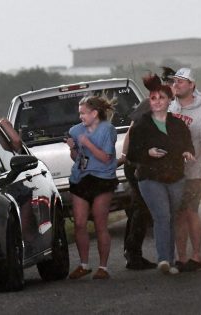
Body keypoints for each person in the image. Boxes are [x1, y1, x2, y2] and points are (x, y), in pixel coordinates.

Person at [127, 73, 195, 275]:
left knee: (173, 217)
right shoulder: (141, 124)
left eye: (161, 98)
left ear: (169, 101)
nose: (156, 102)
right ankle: (164, 259)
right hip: (150, 177)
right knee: (161, 216)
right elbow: (132, 154)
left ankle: (171, 260)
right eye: (153, 98)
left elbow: (188, 144)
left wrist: (187, 152)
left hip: (175, 176)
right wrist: (147, 153)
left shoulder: (178, 124)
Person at [119, 66, 176, 270]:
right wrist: (126, 158)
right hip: (139, 163)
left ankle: (132, 252)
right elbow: (131, 132)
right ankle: (133, 254)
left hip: (149, 163)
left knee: (139, 208)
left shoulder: (167, 104)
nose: (173, 87)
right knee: (142, 208)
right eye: (170, 83)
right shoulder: (151, 103)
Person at [169, 68, 201, 272]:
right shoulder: (170, 106)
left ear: (192, 85)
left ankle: (197, 256)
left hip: (196, 169)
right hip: (173, 171)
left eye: (182, 81)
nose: (177, 84)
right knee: (178, 214)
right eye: (175, 81)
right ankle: (181, 258)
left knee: (191, 211)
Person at [66, 95, 119, 280]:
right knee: (80, 223)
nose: (80, 117)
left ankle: (103, 267)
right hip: (81, 178)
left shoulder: (108, 130)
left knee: (99, 222)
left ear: (95, 113)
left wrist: (88, 143)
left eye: (83, 113)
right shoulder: (75, 130)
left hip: (102, 178)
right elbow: (77, 158)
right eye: (79, 113)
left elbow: (106, 158)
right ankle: (83, 264)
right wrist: (73, 148)